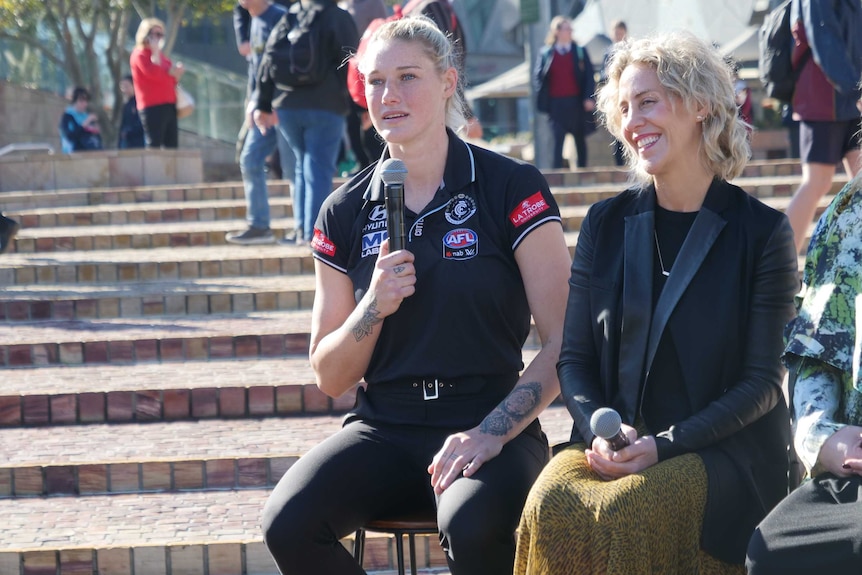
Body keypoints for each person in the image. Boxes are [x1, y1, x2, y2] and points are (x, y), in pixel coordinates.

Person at [260, 15, 571, 575]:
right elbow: (330, 376)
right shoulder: (344, 209)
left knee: (471, 523)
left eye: (408, 77)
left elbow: (564, 341)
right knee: (287, 522)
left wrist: (489, 433)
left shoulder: (510, 185)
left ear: (448, 82)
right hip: (384, 427)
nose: (389, 95)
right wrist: (372, 306)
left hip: (490, 421)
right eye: (376, 81)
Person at [514, 31, 800, 575]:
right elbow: (573, 359)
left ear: (701, 106)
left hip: (723, 453)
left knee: (631, 509)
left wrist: (663, 446)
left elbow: (762, 383)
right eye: (623, 107)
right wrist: (604, 433)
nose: (632, 121)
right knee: (549, 500)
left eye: (648, 101)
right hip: (612, 443)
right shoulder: (606, 223)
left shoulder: (763, 232)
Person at [745, 169, 862, 573]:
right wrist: (820, 436)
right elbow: (817, 351)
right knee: (772, 550)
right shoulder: (850, 216)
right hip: (857, 463)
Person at [254, 0, 359, 246]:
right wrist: (359, 107)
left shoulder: (291, 15)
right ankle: (314, 235)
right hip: (326, 106)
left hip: (287, 105)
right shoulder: (337, 16)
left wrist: (262, 104)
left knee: (304, 165)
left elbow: (267, 61)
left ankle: (302, 230)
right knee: (318, 168)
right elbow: (354, 63)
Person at [781, 0, 862, 254]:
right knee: (817, 181)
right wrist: (853, 89)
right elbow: (823, 38)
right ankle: (776, 263)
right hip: (824, 100)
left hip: (850, 99)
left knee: (859, 182)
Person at [225, 0, 297, 246]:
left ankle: (304, 230)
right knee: (250, 159)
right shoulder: (254, 21)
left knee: (291, 168)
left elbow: (288, 64)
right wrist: (253, 103)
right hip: (262, 108)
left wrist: (274, 102)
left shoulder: (280, 17)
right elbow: (256, 70)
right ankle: (259, 225)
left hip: (283, 107)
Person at [534, 15, 596, 169]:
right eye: (567, 28)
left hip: (576, 102)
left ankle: (583, 172)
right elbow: (539, 78)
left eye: (570, 28)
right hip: (556, 104)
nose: (570, 31)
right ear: (557, 31)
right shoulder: (546, 53)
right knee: (557, 141)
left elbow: (589, 75)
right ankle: (557, 175)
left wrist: (589, 97)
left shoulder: (580, 51)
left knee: (580, 140)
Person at [130, 18, 185, 149]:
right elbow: (154, 74)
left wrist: (177, 72)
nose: (159, 38)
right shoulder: (139, 55)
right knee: (154, 144)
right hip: (152, 106)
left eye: (161, 35)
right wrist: (154, 52)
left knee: (172, 146)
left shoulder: (161, 56)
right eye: (156, 34)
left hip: (169, 104)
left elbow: (171, 79)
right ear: (146, 34)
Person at [601, 20, 627, 166]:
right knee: (616, 129)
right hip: (614, 95)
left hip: (626, 92)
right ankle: (619, 163)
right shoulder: (609, 52)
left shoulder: (630, 48)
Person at [59, 87, 103, 153]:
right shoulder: (68, 116)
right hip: (73, 153)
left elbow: (97, 138)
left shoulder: (88, 116)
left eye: (86, 101)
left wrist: (96, 130)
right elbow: (70, 136)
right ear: (75, 101)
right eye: (81, 101)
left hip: (92, 152)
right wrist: (85, 124)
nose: (84, 104)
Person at [118, 75, 145, 149]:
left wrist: (129, 132)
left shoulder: (140, 102)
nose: (124, 90)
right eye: (122, 87)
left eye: (127, 86)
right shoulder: (125, 104)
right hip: (127, 142)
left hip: (139, 142)